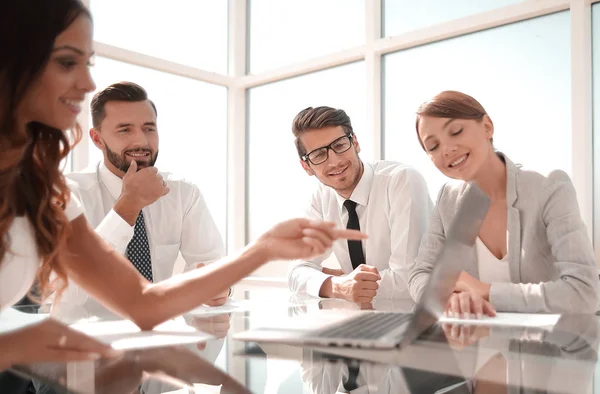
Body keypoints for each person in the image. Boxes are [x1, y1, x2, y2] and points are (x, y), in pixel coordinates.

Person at [0, 0, 365, 370]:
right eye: (66, 62)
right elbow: (63, 300)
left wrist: (262, 249)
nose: (88, 82)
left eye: (87, 62)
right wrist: (15, 344)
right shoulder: (71, 188)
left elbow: (142, 302)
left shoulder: (42, 188)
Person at [408, 90, 598, 316]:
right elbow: (420, 274)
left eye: (456, 131)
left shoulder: (548, 186)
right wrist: (450, 300)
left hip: (555, 345)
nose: (447, 149)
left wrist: (484, 292)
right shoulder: (447, 199)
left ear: (487, 127)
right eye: (433, 146)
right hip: (482, 344)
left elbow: (584, 291)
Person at [54, 81, 227, 319]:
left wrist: (219, 286)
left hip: (161, 336)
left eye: (149, 128)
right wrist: (127, 208)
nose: (142, 142)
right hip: (86, 342)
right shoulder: (68, 194)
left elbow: (210, 264)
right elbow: (62, 292)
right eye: (125, 129)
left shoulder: (183, 193)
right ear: (97, 139)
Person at [288, 106, 432, 303]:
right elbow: (297, 271)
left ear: (354, 142)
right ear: (307, 167)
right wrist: (338, 286)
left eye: (339, 145)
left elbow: (408, 280)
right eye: (319, 155)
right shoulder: (320, 199)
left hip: (425, 317)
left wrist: (342, 282)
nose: (334, 161)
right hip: (364, 320)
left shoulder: (402, 181)